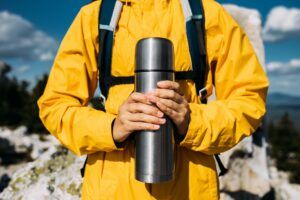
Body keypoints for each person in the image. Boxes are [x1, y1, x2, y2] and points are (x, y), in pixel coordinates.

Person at [38, 0, 269, 199]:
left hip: (190, 188)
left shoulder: (207, 14)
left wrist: (191, 121)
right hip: (112, 188)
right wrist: (111, 127)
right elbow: (56, 105)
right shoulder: (96, 17)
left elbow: (249, 100)